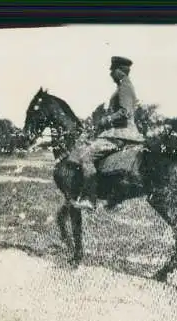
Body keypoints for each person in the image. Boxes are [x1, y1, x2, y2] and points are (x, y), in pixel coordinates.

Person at [69, 56, 145, 211]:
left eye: (112, 70)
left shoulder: (125, 87)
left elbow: (125, 112)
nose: (110, 73)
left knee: (85, 156)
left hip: (121, 134)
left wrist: (106, 120)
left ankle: (89, 199)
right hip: (119, 133)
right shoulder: (123, 86)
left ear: (120, 71)